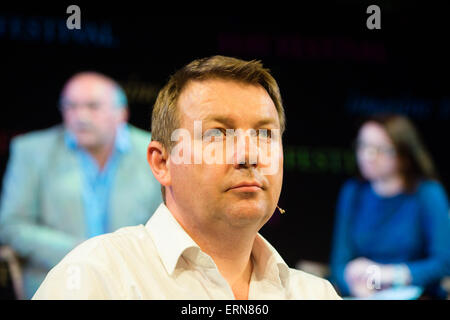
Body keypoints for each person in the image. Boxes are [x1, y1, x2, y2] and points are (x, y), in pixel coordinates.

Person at [32, 56, 341, 299]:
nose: (250, 156)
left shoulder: (316, 294)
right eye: (218, 134)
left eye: (264, 134)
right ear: (162, 162)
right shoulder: (96, 279)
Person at [0, 72, 162, 299]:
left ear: (121, 113)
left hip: (135, 281)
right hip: (58, 279)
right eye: (70, 106)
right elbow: (11, 225)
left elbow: (170, 220)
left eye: (93, 106)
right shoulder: (31, 151)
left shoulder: (154, 153)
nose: (80, 116)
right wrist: (83, 253)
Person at [330, 114, 450, 299]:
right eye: (363, 146)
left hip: (417, 294)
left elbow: (443, 262)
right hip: (364, 293)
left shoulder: (427, 193)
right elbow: (339, 264)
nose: (368, 156)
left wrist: (388, 274)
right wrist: (354, 285)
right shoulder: (353, 192)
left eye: (380, 149)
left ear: (403, 155)